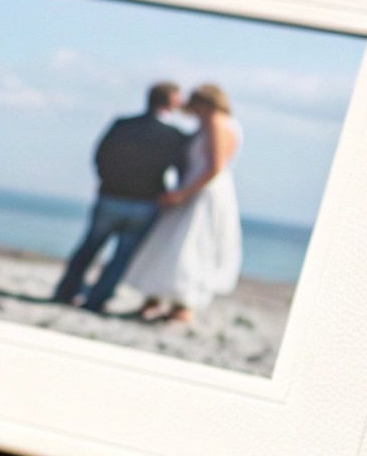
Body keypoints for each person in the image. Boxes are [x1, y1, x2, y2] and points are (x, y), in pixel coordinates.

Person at [51, 82, 191, 312]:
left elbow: (100, 155)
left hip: (110, 197)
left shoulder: (123, 125)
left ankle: (65, 292)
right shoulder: (173, 136)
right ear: (171, 102)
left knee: (89, 248)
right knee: (120, 257)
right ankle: (96, 301)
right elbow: (182, 170)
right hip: (145, 202)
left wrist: (108, 181)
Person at [123, 84, 244, 323]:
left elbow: (215, 167)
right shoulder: (225, 123)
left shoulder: (215, 122)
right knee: (177, 242)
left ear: (205, 103)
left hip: (202, 191)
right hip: (202, 189)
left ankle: (182, 303)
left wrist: (183, 193)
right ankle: (160, 299)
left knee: (189, 245)